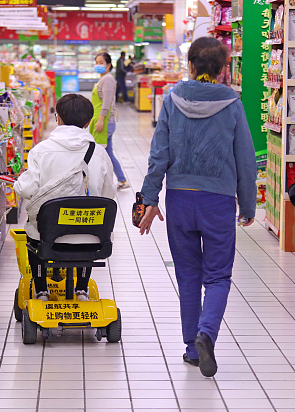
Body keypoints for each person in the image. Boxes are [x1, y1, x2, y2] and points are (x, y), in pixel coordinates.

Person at [138, 37, 256, 378]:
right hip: (217, 200)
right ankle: (207, 334)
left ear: (190, 65)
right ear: (222, 70)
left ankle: (192, 347)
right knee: (217, 276)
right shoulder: (232, 103)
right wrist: (247, 205)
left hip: (179, 198)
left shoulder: (172, 99)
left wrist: (149, 200)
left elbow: (159, 154)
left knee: (188, 274)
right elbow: (245, 159)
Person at [13, 94, 116, 302]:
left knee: (32, 230)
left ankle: (41, 290)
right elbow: (109, 194)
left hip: (49, 238)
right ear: (88, 122)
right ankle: (82, 289)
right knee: (89, 228)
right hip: (93, 237)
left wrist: (17, 182)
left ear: (57, 118)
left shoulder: (40, 151)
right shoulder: (99, 153)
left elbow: (26, 189)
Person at [91, 52, 129, 191]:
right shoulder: (104, 79)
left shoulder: (107, 79)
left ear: (108, 65)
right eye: (96, 62)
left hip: (105, 121)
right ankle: (122, 179)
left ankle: (101, 183)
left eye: (101, 62)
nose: (98, 65)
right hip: (106, 120)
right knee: (108, 153)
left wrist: (100, 120)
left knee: (99, 154)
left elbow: (107, 102)